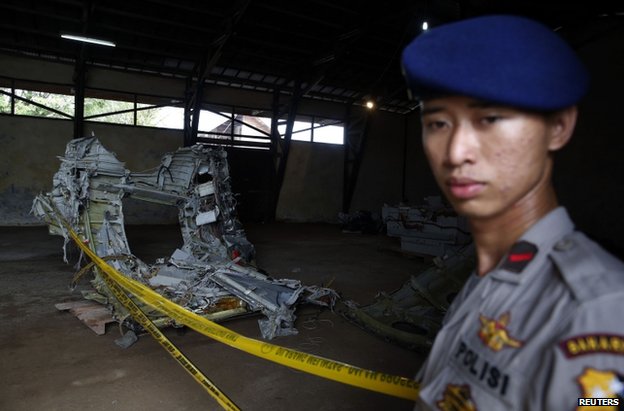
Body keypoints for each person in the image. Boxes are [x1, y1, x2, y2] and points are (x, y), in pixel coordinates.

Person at [400, 14, 624, 410]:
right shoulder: (494, 275)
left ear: (558, 127)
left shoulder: (597, 307)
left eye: (489, 119)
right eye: (438, 122)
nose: (454, 153)